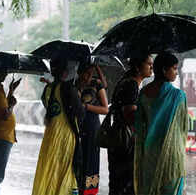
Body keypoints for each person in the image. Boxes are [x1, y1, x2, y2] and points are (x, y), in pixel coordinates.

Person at [134, 52, 188, 195]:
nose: (176, 73)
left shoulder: (143, 93)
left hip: (150, 152)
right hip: (171, 154)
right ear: (164, 70)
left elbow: (139, 125)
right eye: (174, 68)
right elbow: (183, 128)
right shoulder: (178, 96)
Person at [32, 57, 86, 195]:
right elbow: (80, 113)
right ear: (65, 72)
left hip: (50, 136)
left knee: (51, 170)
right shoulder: (68, 88)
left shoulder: (48, 89)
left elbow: (51, 106)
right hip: (65, 136)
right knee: (66, 170)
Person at [108, 53, 153, 195]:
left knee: (118, 182)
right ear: (138, 67)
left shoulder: (125, 81)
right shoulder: (131, 85)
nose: (152, 67)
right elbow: (130, 116)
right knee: (127, 182)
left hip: (118, 139)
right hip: (126, 141)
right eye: (149, 64)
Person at [76, 63, 109, 195]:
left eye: (91, 72)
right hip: (77, 127)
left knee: (90, 161)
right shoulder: (75, 85)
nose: (89, 76)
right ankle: (76, 189)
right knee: (78, 160)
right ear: (79, 72)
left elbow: (106, 109)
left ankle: (89, 192)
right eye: (86, 72)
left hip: (92, 128)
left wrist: (86, 107)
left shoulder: (96, 84)